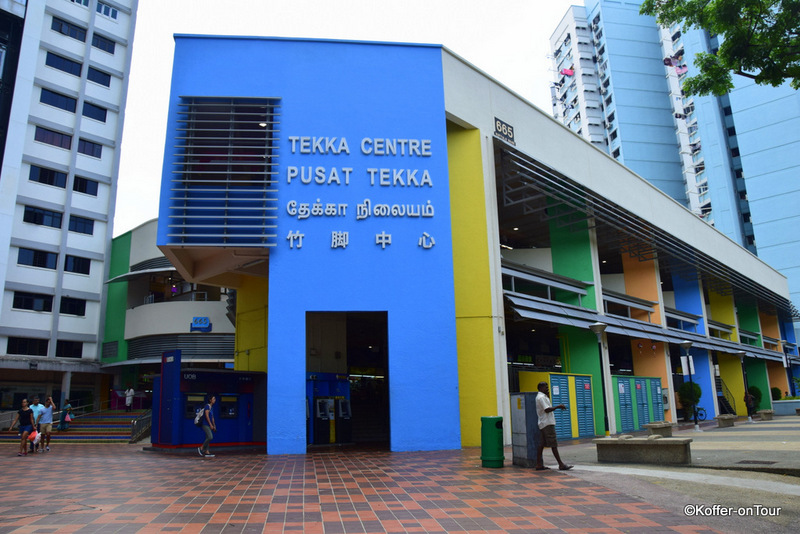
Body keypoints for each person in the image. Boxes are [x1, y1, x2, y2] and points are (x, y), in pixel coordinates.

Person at [535, 381, 573, 471]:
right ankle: (561, 464)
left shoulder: (542, 397)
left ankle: (538, 464)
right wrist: (558, 406)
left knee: (541, 444)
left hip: (543, 423)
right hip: (547, 423)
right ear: (540, 388)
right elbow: (547, 409)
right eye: (546, 387)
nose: (547, 389)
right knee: (553, 444)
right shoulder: (541, 398)